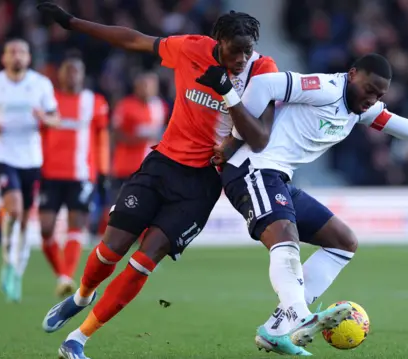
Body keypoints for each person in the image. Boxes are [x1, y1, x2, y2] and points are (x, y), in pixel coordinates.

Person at [200, 53, 408, 355]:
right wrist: (235, 140)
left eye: (379, 94)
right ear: (352, 75)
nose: (372, 98)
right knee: (285, 237)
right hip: (251, 169)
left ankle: (277, 330)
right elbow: (265, 84)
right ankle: (298, 313)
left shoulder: (362, 111)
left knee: (343, 242)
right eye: (369, 89)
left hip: (278, 178)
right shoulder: (323, 87)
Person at [36, 3, 279, 358]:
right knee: (111, 248)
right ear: (218, 41)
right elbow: (133, 40)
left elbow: (259, 138)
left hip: (202, 184)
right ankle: (81, 296)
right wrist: (73, 23)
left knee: (144, 260)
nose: (242, 58)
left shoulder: (263, 70)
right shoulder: (190, 48)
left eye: (248, 50)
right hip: (161, 165)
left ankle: (78, 338)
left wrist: (228, 93)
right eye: (234, 50)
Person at [0, 38, 60, 302]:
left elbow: (56, 118)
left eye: (22, 52)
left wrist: (45, 119)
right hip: (2, 154)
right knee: (15, 208)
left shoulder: (41, 85)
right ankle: (8, 263)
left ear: (29, 58)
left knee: (23, 218)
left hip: (31, 158)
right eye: (12, 52)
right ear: (4, 58)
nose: (17, 56)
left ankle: (16, 268)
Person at [39, 56, 110, 298]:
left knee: (76, 225)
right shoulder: (49, 101)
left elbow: (102, 138)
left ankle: (66, 277)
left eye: (75, 70)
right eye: (67, 70)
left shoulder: (95, 102)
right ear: (60, 75)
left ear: (82, 74)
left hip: (81, 174)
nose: (71, 75)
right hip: (50, 172)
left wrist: (103, 170)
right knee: (46, 229)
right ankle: (61, 274)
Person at [96, 72, 167, 236]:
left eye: (150, 85)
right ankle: (103, 236)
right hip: (125, 166)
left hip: (150, 167)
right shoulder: (125, 106)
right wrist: (140, 138)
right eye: (144, 85)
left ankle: (143, 245)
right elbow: (116, 134)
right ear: (136, 87)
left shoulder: (160, 106)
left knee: (148, 206)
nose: (147, 89)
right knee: (116, 205)